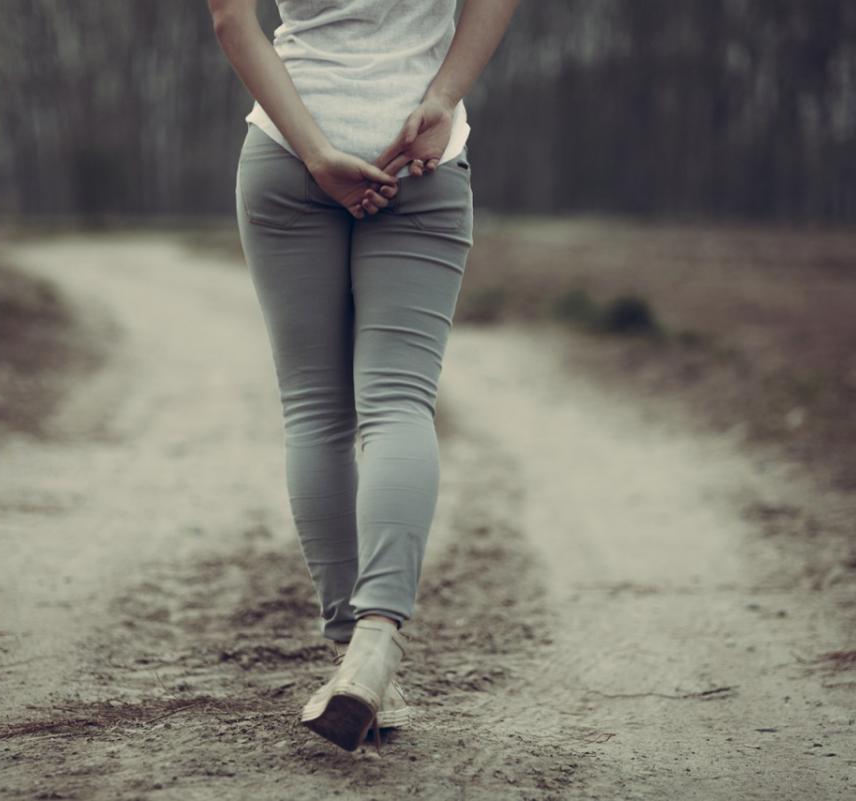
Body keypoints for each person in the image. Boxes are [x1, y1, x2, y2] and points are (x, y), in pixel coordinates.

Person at [208, 0, 520, 753]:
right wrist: (441, 97)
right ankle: (375, 648)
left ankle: (351, 649)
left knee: (316, 413)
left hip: (288, 152)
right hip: (420, 151)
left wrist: (316, 152)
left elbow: (230, 19)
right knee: (399, 404)